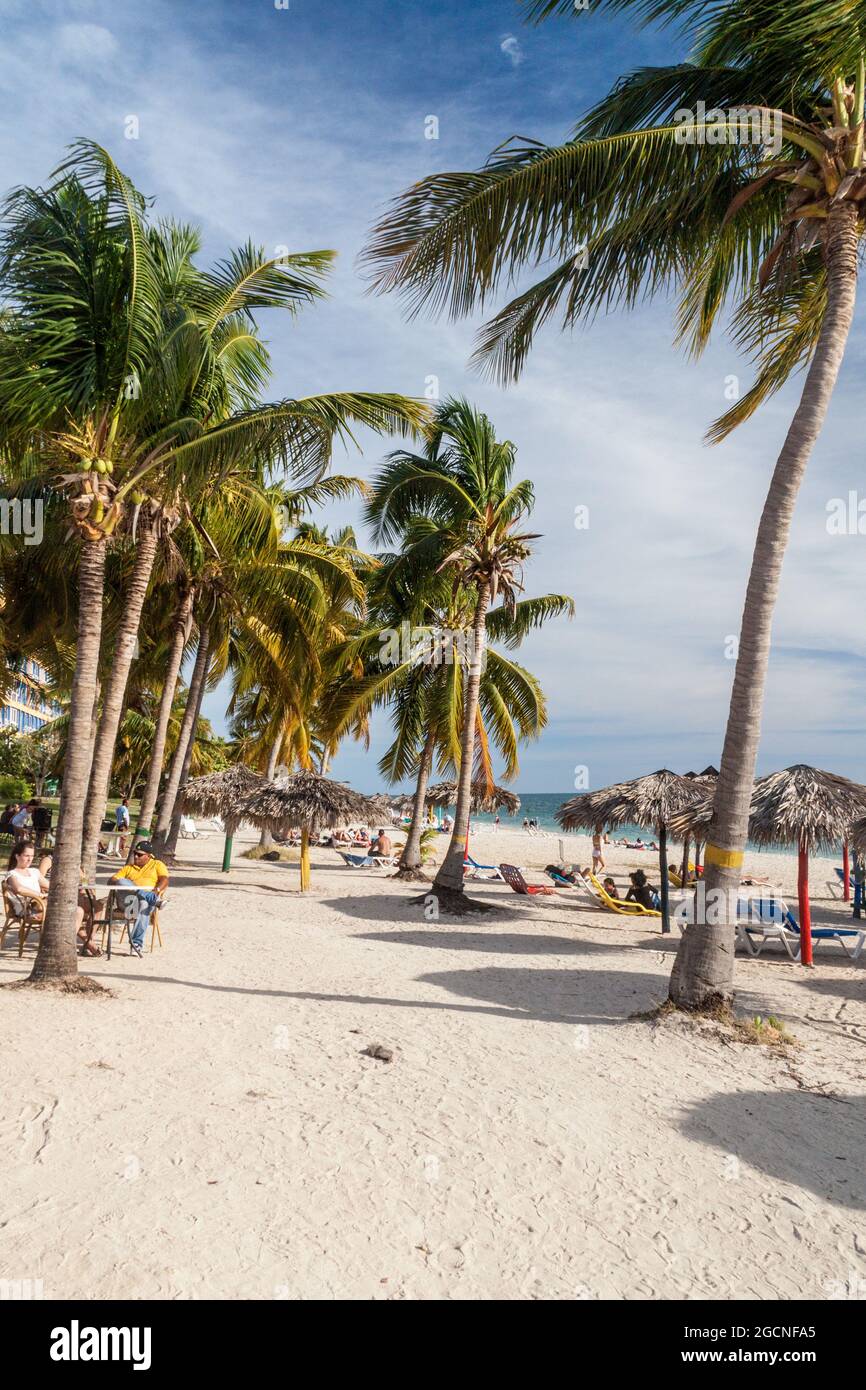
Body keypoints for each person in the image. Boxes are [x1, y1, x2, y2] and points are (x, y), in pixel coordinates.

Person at [102, 841, 169, 958]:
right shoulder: (128, 868)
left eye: (139, 854)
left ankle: (136, 944)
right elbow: (111, 881)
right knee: (122, 881)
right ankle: (151, 898)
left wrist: (157, 891)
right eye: (135, 853)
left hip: (143, 904)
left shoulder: (157, 865)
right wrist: (147, 894)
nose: (136, 856)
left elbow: (164, 880)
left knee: (144, 904)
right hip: (127, 903)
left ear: (149, 856)